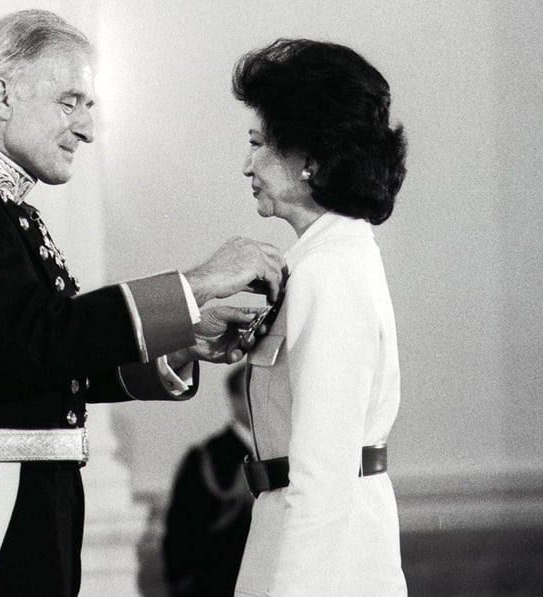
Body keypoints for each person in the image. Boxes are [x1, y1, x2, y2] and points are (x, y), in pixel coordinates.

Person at [0, 9, 285, 597]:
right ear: (2, 94)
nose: (87, 129)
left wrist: (183, 333)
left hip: (26, 501)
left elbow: (50, 357)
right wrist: (195, 284)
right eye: (71, 102)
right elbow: (38, 340)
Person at [230, 39, 409, 596]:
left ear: (310, 159)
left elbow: (323, 473)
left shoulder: (330, 270)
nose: (246, 165)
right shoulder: (320, 261)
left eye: (259, 144)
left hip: (326, 558)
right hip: (299, 532)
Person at [163, 364, 254, 597]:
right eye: (251, 393)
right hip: (216, 584)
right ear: (234, 399)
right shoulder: (207, 457)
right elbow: (181, 529)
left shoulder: (287, 451)